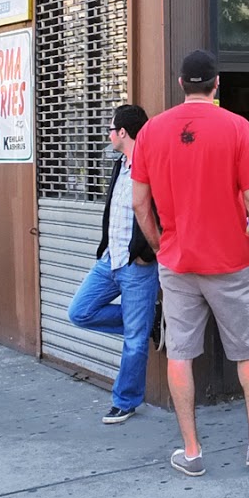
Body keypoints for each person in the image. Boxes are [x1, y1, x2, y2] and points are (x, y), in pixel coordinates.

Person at [131, 50, 249, 476]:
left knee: (181, 354)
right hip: (229, 260)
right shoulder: (237, 128)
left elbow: (138, 202)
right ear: (217, 83)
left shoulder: (151, 132)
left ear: (181, 83)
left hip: (177, 263)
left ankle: (191, 453)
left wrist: (161, 245)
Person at [66, 105, 159, 424]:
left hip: (137, 264)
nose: (107, 134)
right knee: (79, 312)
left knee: (135, 339)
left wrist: (149, 253)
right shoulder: (120, 164)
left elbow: (163, 213)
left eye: (110, 128)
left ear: (123, 132)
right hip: (110, 260)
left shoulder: (154, 164)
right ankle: (149, 321)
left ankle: (126, 400)